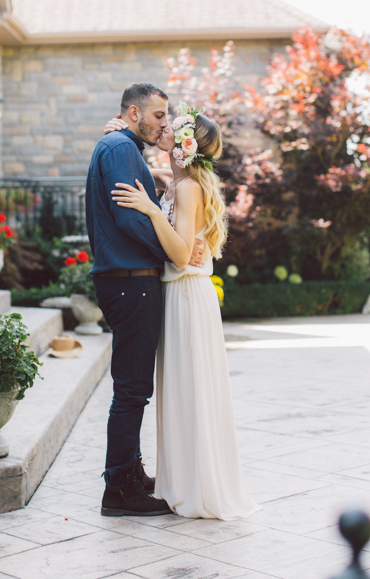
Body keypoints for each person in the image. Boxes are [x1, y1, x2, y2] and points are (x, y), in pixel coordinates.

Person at [109, 102, 259, 520]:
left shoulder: (189, 188)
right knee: (180, 390)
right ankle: (182, 478)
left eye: (172, 129)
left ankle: (199, 485)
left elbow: (178, 255)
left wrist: (153, 209)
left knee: (191, 390)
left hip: (188, 299)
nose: (164, 130)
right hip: (178, 297)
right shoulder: (176, 184)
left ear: (186, 146)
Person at [85, 83, 204, 517]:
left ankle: (131, 474)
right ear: (134, 113)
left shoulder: (120, 144)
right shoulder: (119, 148)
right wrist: (172, 253)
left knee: (134, 388)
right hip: (130, 281)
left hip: (128, 280)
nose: (164, 123)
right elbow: (130, 218)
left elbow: (139, 208)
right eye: (158, 115)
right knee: (132, 390)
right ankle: (118, 490)